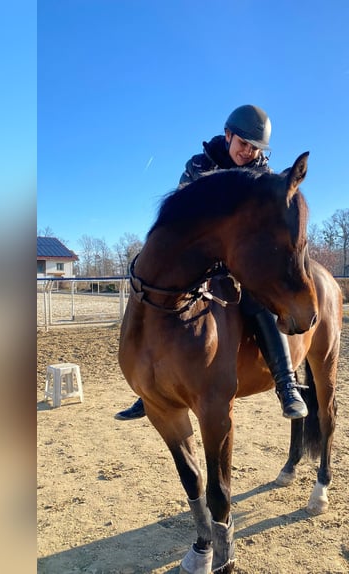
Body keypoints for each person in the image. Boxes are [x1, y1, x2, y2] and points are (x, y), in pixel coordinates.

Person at [115, 104, 308, 421]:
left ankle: (286, 384)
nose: (247, 152)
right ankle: (148, 389)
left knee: (256, 302)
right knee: (151, 293)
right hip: (196, 262)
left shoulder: (264, 179)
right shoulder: (198, 166)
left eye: (255, 147)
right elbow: (177, 216)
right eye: (243, 143)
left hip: (239, 263)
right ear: (228, 135)